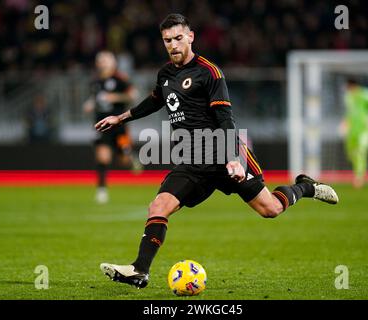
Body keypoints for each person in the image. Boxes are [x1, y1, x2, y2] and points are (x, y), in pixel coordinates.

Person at [95, 14, 339, 288]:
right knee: (159, 205)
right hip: (192, 159)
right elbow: (154, 101)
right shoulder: (165, 74)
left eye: (178, 38)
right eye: (167, 40)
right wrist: (122, 117)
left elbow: (225, 119)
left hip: (224, 154)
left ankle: (305, 187)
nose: (173, 45)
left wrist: (234, 159)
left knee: (269, 209)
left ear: (190, 37)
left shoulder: (209, 72)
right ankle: (140, 270)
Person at [83, 51, 141, 204]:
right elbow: (96, 98)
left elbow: (133, 95)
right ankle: (101, 190)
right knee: (103, 156)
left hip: (119, 125)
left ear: (113, 62)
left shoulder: (121, 79)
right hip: (101, 125)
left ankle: (130, 157)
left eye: (105, 59)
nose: (102, 62)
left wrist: (115, 97)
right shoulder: (94, 81)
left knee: (123, 160)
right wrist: (90, 103)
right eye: (99, 60)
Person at [340, 79, 368, 188]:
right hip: (352, 130)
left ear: (352, 86)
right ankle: (358, 172)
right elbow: (349, 112)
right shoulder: (348, 97)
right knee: (351, 153)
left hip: (364, 129)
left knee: (360, 151)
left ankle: (359, 177)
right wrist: (345, 123)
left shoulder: (365, 94)